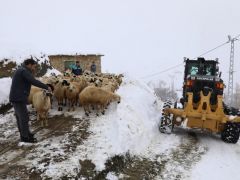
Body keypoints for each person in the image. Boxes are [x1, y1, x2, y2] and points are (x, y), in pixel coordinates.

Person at [9, 58, 52, 143]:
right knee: (24, 118)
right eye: (34, 66)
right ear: (29, 65)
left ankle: (25, 134)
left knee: (20, 117)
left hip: (17, 97)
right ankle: (25, 137)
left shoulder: (21, 70)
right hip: (18, 98)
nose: (34, 68)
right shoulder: (24, 71)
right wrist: (46, 87)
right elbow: (33, 81)